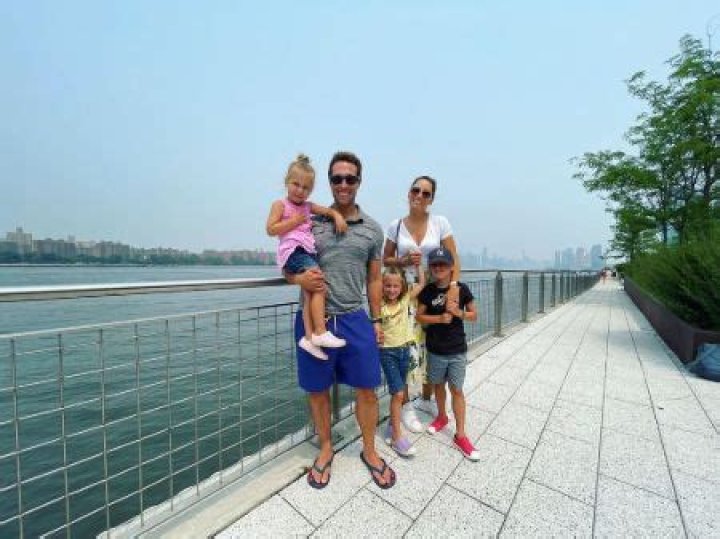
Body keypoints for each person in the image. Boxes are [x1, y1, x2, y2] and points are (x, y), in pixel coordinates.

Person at [286, 151, 396, 489]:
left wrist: (376, 320)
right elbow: (288, 258)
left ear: (359, 181)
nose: (343, 184)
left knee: (367, 389)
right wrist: (297, 279)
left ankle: (369, 450)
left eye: (350, 178)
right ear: (330, 182)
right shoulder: (309, 220)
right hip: (313, 320)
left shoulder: (373, 230)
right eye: (337, 178)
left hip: (354, 317)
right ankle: (326, 447)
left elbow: (374, 279)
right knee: (317, 391)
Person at [382, 176, 461, 428]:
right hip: (404, 295)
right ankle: (406, 406)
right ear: (409, 193)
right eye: (416, 190)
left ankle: (426, 399)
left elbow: (454, 258)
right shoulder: (395, 226)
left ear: (431, 199)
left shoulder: (440, 223)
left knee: (431, 347)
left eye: (426, 193)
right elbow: (385, 258)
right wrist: (403, 261)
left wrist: (453, 288)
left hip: (434, 296)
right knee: (404, 347)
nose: (419, 195)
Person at [266, 154, 348, 360]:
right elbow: (271, 229)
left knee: (309, 293)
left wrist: (337, 215)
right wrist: (293, 221)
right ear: (287, 182)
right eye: (296, 184)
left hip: (306, 251)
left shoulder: (307, 206)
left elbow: (327, 211)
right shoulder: (280, 205)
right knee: (319, 284)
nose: (300, 190)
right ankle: (320, 331)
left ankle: (309, 338)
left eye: (306, 188)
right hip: (294, 251)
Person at [416, 247, 480, 461]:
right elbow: (419, 316)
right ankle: (442, 416)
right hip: (435, 349)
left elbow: (474, 315)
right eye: (434, 264)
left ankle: (460, 435)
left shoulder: (461, 289)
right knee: (438, 385)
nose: (438, 268)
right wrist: (439, 319)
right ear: (430, 268)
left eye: (443, 264)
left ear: (451, 267)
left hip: (456, 349)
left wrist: (458, 312)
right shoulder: (428, 291)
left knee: (457, 390)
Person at [379, 265, 425, 457]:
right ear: (382, 286)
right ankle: (397, 437)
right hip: (387, 352)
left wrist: (418, 266)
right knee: (398, 393)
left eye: (395, 286)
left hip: (405, 350)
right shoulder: (379, 305)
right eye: (387, 285)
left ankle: (392, 425)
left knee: (400, 390)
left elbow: (421, 284)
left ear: (402, 287)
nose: (391, 290)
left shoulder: (405, 299)